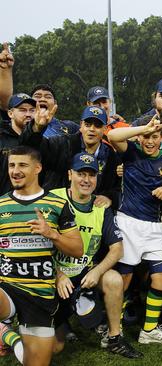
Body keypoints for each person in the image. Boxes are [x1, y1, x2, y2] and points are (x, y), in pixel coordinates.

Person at [50, 153, 141, 358]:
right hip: (51, 276)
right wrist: (57, 275)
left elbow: (117, 248)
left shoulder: (100, 207)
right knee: (55, 348)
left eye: (91, 175)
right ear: (69, 174)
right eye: (81, 174)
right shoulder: (53, 199)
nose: (86, 180)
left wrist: (97, 270)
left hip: (83, 274)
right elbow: (37, 247)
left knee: (113, 279)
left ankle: (114, 338)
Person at [0, 146, 83, 366]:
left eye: (22, 165)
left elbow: (77, 250)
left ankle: (11, 339)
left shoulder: (57, 204)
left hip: (40, 295)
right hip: (7, 286)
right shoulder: (1, 205)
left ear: (37, 168)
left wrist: (51, 234)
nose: (15, 171)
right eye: (11, 165)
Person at [107, 115, 162, 344]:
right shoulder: (131, 152)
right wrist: (143, 127)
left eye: (154, 136)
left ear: (161, 138)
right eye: (146, 137)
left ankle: (149, 331)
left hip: (156, 226)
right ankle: (113, 330)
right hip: (128, 222)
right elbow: (111, 135)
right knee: (124, 279)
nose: (150, 141)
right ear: (139, 137)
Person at [23, 105, 120, 206]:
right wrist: (37, 129)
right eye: (87, 124)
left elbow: (116, 187)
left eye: (97, 126)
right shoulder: (62, 144)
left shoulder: (110, 155)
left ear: (105, 128)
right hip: (57, 207)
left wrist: (109, 197)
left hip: (90, 212)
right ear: (81, 125)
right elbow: (31, 150)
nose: (92, 129)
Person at [0, 93, 35, 194]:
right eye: (22, 110)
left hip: (34, 202)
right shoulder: (2, 138)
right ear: (10, 113)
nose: (28, 114)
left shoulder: (42, 140)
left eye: (32, 110)